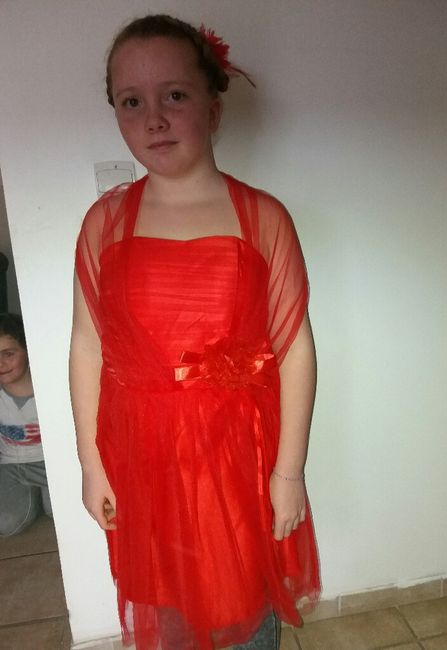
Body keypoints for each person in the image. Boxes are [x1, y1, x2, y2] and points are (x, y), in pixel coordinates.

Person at [70, 14, 320, 650]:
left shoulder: (263, 217)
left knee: (240, 603)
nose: (154, 119)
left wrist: (288, 473)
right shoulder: (103, 224)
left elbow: (294, 347)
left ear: (213, 106)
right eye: (132, 102)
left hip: (234, 459)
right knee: (169, 600)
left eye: (174, 95)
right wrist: (91, 462)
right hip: (141, 456)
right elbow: (88, 346)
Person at [0, 312, 52, 536]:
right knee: (7, 524)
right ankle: (30, 498)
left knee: (62, 512)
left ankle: (41, 497)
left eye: (8, 354)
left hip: (48, 464)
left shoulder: (48, 387)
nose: (1, 363)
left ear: (28, 351)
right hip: (10, 466)